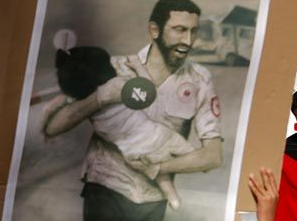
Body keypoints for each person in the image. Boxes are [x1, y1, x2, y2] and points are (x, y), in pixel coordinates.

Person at [43, 0, 223, 221]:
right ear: (155, 30)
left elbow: (212, 156)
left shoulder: (200, 80)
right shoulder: (110, 68)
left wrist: (158, 168)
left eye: (194, 31)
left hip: (152, 200)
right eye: (180, 30)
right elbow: (55, 126)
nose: (188, 41)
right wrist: (100, 98)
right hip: (106, 189)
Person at [52, 44, 198, 209]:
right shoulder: (117, 86)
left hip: (132, 151)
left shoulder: (85, 105)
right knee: (186, 151)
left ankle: (172, 196)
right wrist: (136, 65)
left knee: (157, 172)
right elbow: (148, 87)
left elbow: (59, 121)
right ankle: (186, 170)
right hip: (155, 134)